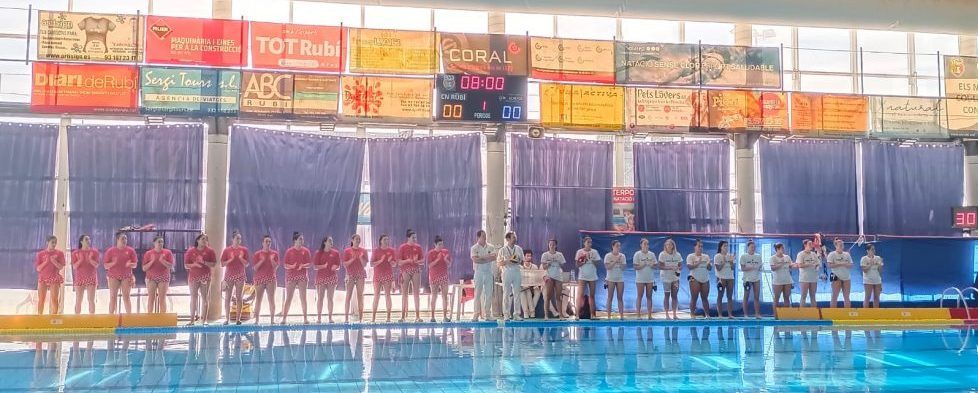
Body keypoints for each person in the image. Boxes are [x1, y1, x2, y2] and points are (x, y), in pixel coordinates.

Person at [185, 233, 217, 325]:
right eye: (203, 239)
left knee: (205, 298)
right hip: (194, 276)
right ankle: (192, 319)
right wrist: (194, 264)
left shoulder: (210, 251)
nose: (204, 241)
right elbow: (186, 265)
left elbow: (214, 264)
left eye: (206, 239)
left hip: (205, 277)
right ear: (197, 240)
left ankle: (204, 319)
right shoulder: (191, 251)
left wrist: (203, 262)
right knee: (193, 297)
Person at [281, 232, 311, 324]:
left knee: (303, 297)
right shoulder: (289, 251)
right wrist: (292, 266)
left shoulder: (305, 251)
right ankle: (284, 318)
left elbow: (309, 264)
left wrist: (303, 265)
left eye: (302, 239)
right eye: (300, 239)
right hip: (291, 276)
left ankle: (305, 318)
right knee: (289, 298)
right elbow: (285, 265)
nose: (302, 241)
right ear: (295, 241)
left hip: (302, 276)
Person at [104, 232, 137, 315]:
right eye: (122, 238)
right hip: (113, 276)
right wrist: (113, 263)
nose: (125, 240)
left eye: (126, 238)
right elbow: (105, 266)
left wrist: (130, 264)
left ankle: (129, 317)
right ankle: (111, 317)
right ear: (117, 239)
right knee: (113, 297)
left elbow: (135, 265)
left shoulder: (130, 251)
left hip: (126, 276)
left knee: (126, 297)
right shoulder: (111, 251)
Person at [221, 231, 249, 324]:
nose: (239, 240)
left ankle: (238, 319)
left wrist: (241, 258)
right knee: (228, 297)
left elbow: (247, 264)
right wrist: (231, 259)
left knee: (239, 297)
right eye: (237, 238)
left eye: (240, 238)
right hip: (229, 275)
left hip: (240, 275)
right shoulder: (227, 250)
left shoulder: (244, 250)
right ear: (232, 239)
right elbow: (222, 264)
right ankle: (227, 319)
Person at [311, 236, 340, 324]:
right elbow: (315, 266)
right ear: (325, 242)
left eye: (332, 241)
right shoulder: (319, 253)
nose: (331, 242)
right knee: (320, 298)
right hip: (321, 278)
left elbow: (338, 265)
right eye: (329, 241)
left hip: (332, 277)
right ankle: (319, 318)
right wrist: (323, 266)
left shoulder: (335, 253)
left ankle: (330, 317)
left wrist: (336, 267)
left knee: (330, 298)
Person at [397, 230, 425, 323]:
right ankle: (402, 316)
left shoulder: (418, 247)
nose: (415, 239)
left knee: (416, 293)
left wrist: (417, 261)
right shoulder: (402, 247)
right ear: (408, 238)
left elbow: (422, 260)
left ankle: (417, 316)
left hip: (416, 270)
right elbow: (399, 262)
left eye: (415, 237)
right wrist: (408, 260)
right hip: (405, 270)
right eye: (413, 237)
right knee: (404, 294)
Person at [470, 230, 497, 321]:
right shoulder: (474, 248)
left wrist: (481, 258)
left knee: (489, 294)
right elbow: (475, 260)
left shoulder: (491, 246)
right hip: (478, 272)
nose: (485, 238)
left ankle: (488, 314)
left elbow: (494, 257)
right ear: (478, 238)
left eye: (485, 236)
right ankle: (476, 314)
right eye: (483, 236)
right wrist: (486, 257)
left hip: (489, 272)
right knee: (477, 294)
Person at [142, 235, 174, 314]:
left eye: (162, 242)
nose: (161, 243)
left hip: (164, 277)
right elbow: (144, 268)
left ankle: (162, 318)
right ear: (154, 243)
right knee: (151, 298)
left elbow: (170, 266)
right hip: (151, 278)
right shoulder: (148, 253)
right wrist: (152, 261)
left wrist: (162, 261)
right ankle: (150, 317)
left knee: (162, 298)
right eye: (159, 242)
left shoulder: (167, 252)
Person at [252, 235, 279, 324]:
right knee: (258, 300)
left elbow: (276, 267)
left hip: (271, 278)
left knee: (271, 299)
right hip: (259, 279)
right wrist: (262, 261)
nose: (268, 243)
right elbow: (255, 268)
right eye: (266, 241)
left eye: (269, 242)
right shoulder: (257, 254)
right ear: (262, 243)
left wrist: (271, 260)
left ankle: (272, 320)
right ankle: (256, 320)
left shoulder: (274, 254)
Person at [497, 232, 524, 321]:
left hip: (516, 272)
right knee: (506, 294)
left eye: (515, 237)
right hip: (506, 272)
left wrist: (514, 260)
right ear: (508, 239)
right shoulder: (502, 250)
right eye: (513, 237)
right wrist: (508, 260)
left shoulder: (519, 249)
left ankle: (516, 314)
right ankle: (506, 314)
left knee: (517, 293)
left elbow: (521, 261)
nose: (515, 238)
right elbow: (499, 263)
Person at [35, 235, 65, 315]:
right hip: (43, 278)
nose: (54, 244)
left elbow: (61, 266)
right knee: (41, 299)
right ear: (47, 243)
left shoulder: (59, 253)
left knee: (54, 299)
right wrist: (45, 262)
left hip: (54, 277)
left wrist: (54, 261)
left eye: (55, 243)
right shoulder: (41, 254)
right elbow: (38, 268)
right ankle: (39, 316)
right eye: (52, 242)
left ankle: (54, 316)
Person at [370, 234, 396, 323]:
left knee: (387, 295)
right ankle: (373, 317)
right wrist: (380, 261)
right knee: (376, 296)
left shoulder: (391, 250)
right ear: (380, 241)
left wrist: (390, 261)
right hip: (378, 275)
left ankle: (388, 317)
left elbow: (395, 264)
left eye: (387, 239)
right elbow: (371, 264)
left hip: (388, 275)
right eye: (385, 239)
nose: (386, 241)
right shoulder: (376, 251)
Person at [71, 235, 99, 314]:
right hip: (80, 278)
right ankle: (77, 319)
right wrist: (80, 260)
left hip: (91, 278)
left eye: (89, 239)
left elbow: (96, 265)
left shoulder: (94, 252)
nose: (88, 241)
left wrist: (90, 259)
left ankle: (92, 319)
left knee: (91, 300)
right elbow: (74, 267)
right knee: (78, 299)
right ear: (81, 242)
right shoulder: (76, 253)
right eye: (86, 239)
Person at [343, 234, 368, 323]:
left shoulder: (364, 251)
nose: (358, 240)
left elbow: (364, 265)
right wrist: (352, 259)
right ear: (352, 240)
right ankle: (346, 318)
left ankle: (361, 318)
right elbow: (345, 264)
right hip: (350, 274)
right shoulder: (347, 251)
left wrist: (361, 258)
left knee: (360, 296)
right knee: (348, 296)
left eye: (359, 239)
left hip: (360, 274)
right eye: (356, 239)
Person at [539, 238, 566, 320]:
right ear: (548, 245)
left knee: (559, 296)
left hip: (558, 276)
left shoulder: (560, 254)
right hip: (549, 276)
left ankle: (561, 315)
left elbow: (563, 266)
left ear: (556, 245)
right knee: (548, 296)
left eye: (553, 244)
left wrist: (558, 261)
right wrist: (549, 263)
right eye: (550, 244)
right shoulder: (545, 255)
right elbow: (544, 267)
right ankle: (546, 315)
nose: (551, 246)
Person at [575, 236, 601, 319]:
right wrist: (584, 260)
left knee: (592, 296)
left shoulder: (595, 252)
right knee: (580, 295)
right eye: (588, 242)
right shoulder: (580, 252)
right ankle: (577, 315)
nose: (589, 244)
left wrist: (592, 259)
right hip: (582, 276)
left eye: (590, 242)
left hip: (592, 276)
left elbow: (598, 265)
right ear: (584, 243)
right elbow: (577, 264)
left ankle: (593, 315)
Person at [428, 236, 452, 322]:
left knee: (444, 297)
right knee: (434, 296)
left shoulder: (445, 252)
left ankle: (445, 316)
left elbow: (449, 264)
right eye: (439, 244)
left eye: (442, 244)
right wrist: (437, 259)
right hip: (434, 276)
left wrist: (445, 259)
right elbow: (429, 265)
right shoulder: (431, 253)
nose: (441, 246)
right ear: (435, 245)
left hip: (444, 276)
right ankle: (432, 316)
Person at [658, 238, 682, 320]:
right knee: (667, 296)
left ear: (673, 246)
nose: (669, 246)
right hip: (666, 278)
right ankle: (667, 314)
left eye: (670, 244)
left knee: (674, 296)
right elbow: (660, 266)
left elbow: (680, 266)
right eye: (667, 244)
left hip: (675, 278)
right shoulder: (662, 254)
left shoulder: (677, 255)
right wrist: (669, 267)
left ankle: (675, 314)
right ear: (665, 246)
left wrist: (677, 268)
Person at [686, 239, 712, 318]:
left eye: (701, 246)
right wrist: (698, 262)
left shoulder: (706, 256)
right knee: (694, 297)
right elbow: (689, 267)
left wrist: (709, 265)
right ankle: (692, 314)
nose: (700, 248)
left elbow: (709, 268)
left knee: (705, 298)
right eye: (699, 246)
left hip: (705, 278)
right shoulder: (691, 256)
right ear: (695, 247)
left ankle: (707, 315)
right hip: (694, 278)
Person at [633, 238, 657, 319]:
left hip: (650, 279)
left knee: (649, 296)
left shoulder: (652, 254)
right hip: (640, 279)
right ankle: (638, 315)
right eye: (645, 244)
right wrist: (642, 265)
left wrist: (651, 265)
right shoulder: (637, 254)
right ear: (641, 245)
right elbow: (635, 267)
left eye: (647, 244)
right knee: (639, 296)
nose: (646, 245)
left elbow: (655, 265)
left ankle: (650, 315)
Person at [827, 238, 854, 308]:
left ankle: (847, 313)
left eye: (842, 245)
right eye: (840, 245)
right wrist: (841, 264)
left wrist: (843, 264)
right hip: (835, 275)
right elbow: (829, 265)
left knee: (847, 296)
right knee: (834, 296)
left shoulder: (847, 254)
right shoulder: (832, 254)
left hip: (846, 277)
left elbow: (851, 265)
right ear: (836, 246)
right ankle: (833, 313)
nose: (842, 246)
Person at [740, 241, 763, 318]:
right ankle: (745, 314)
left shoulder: (758, 256)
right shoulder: (743, 256)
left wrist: (761, 268)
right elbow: (742, 268)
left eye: (754, 247)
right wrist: (750, 267)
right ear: (748, 247)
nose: (753, 248)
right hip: (747, 279)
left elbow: (760, 267)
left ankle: (757, 314)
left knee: (757, 297)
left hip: (756, 278)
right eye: (751, 247)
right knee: (746, 296)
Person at [604, 240, 626, 320]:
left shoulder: (622, 256)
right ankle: (609, 316)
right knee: (610, 297)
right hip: (610, 279)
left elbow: (623, 268)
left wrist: (620, 263)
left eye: (619, 246)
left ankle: (621, 316)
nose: (618, 247)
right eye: (617, 246)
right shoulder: (608, 256)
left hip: (620, 278)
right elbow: (607, 267)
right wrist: (616, 261)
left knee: (620, 297)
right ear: (613, 246)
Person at [714, 240, 736, 319]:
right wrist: (723, 261)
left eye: (727, 246)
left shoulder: (730, 256)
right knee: (720, 296)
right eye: (725, 246)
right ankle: (720, 314)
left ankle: (730, 314)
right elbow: (718, 268)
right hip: (721, 278)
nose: (726, 247)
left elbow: (733, 268)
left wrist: (731, 262)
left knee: (729, 296)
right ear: (721, 247)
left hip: (730, 277)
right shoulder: (717, 256)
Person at [796, 240, 819, 308]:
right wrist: (810, 264)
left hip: (813, 278)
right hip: (804, 278)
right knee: (803, 296)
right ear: (805, 245)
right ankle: (802, 314)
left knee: (813, 296)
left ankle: (814, 314)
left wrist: (817, 267)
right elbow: (799, 265)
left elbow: (817, 264)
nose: (811, 245)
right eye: (809, 244)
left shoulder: (814, 254)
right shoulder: (800, 254)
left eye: (812, 244)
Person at [518, 249, 541, 319]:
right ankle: (527, 312)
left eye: (530, 256)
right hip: (524, 287)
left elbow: (537, 278)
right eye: (527, 256)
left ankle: (531, 311)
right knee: (523, 292)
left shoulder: (534, 266)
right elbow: (519, 280)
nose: (529, 258)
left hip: (533, 286)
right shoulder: (520, 267)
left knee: (538, 292)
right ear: (523, 257)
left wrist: (535, 285)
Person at [770, 243, 793, 309]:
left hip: (787, 280)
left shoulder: (787, 257)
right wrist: (781, 263)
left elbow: (790, 265)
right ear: (777, 249)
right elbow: (773, 268)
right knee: (776, 298)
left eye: (784, 248)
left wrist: (794, 265)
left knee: (786, 297)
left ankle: (786, 316)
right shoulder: (773, 258)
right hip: (777, 281)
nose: (783, 249)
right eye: (782, 248)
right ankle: (776, 317)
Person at [861, 244, 883, 308]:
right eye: (872, 249)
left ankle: (875, 314)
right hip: (868, 280)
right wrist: (870, 264)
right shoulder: (864, 258)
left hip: (877, 280)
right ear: (867, 250)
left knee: (876, 297)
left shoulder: (878, 258)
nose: (874, 251)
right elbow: (864, 270)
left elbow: (880, 271)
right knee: (867, 297)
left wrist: (880, 265)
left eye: (874, 249)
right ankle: (865, 314)